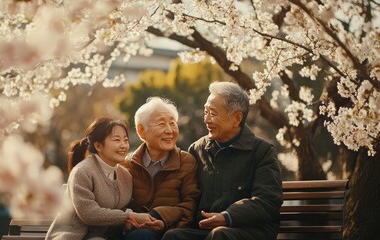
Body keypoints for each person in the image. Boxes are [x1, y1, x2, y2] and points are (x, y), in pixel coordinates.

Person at [162, 81, 283, 240]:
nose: (206, 119)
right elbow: (186, 196)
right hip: (205, 230)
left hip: (250, 231)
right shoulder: (197, 150)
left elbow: (267, 200)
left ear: (236, 118)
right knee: (173, 236)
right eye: (205, 111)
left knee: (220, 235)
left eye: (212, 113)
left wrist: (227, 217)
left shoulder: (262, 151)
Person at [46, 117, 152, 240]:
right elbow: (89, 213)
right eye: (117, 140)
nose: (123, 145)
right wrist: (127, 216)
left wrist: (127, 221)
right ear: (98, 146)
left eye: (125, 140)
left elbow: (119, 209)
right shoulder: (82, 172)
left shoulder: (126, 176)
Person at [122, 97, 200, 240]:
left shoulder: (187, 162)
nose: (169, 130)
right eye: (161, 124)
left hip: (171, 232)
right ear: (141, 131)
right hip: (133, 232)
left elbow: (190, 207)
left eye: (172, 123)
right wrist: (128, 221)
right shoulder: (126, 164)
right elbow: (118, 205)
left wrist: (160, 219)